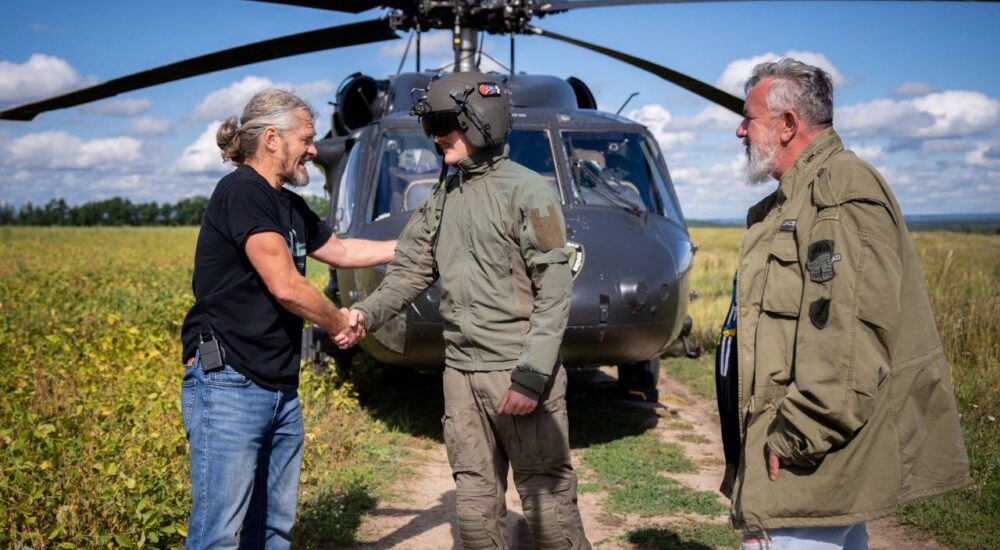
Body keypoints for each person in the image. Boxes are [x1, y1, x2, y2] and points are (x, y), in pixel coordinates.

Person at [715, 58, 971, 549]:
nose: (740, 130)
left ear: (788, 124)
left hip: (807, 457)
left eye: (749, 118)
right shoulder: (794, 200)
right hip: (811, 456)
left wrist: (799, 434)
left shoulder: (838, 193)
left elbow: (848, 337)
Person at [336, 71, 591, 550]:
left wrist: (531, 377)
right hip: (461, 375)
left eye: (441, 124)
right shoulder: (443, 197)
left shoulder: (528, 192)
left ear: (480, 122)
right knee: (474, 512)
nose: (434, 137)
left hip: (516, 371)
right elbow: (410, 270)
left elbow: (555, 291)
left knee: (548, 511)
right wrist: (365, 315)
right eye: (430, 125)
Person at [179, 89, 396, 549]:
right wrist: (339, 323)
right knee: (219, 534)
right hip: (230, 382)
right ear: (272, 139)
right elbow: (286, 285)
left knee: (273, 528)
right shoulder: (242, 192)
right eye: (307, 139)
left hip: (279, 386)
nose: (314, 150)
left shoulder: (287, 204)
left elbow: (342, 251)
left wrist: (410, 248)